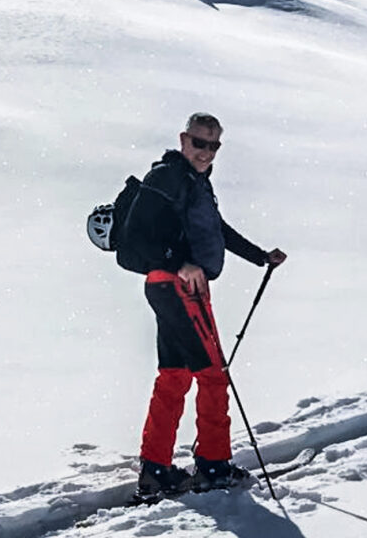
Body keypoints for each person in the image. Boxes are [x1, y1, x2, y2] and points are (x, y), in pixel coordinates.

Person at [121, 112, 286, 501]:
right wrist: (180, 262)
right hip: (178, 288)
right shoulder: (166, 177)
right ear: (183, 139)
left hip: (174, 287)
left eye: (214, 145)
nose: (206, 152)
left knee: (175, 375)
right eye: (199, 143)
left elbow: (217, 230)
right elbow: (136, 235)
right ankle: (214, 467)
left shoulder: (194, 183)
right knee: (212, 375)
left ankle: (156, 469)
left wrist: (260, 256)